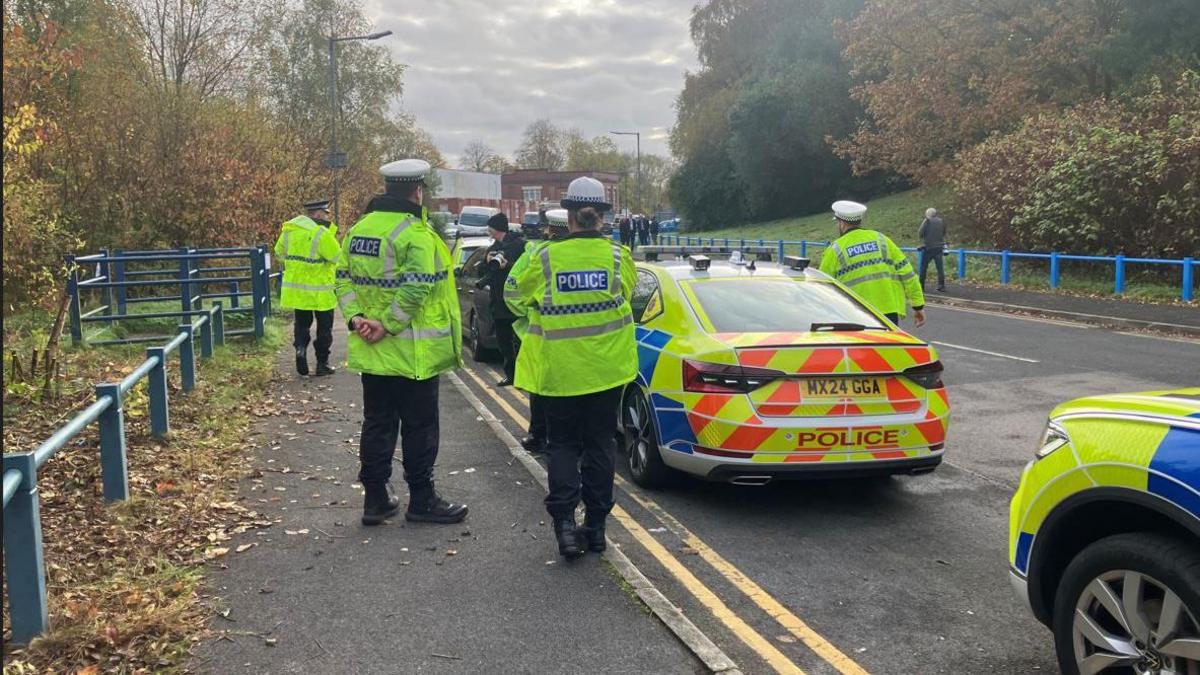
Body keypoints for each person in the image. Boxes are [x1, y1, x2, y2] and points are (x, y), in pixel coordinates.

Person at [333, 158, 469, 527]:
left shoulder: (359, 229)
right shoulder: (415, 234)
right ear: (418, 191)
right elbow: (417, 287)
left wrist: (356, 319)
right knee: (419, 426)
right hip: (411, 352)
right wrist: (388, 325)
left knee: (377, 422)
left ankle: (375, 499)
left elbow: (341, 278)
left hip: (372, 352)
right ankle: (422, 499)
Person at [507, 177, 637, 559]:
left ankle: (564, 526)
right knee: (600, 446)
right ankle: (595, 528)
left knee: (561, 445)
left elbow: (514, 297)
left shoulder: (544, 258)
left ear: (568, 216)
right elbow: (626, 295)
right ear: (601, 217)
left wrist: (539, 310)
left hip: (559, 372)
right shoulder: (618, 257)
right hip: (607, 372)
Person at [506, 210, 570, 456]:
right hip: (582, 344)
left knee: (541, 389)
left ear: (549, 229)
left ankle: (539, 436)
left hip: (541, 334)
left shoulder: (536, 254)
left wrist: (526, 311)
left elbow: (513, 289)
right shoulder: (600, 253)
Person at [818, 200, 926, 327]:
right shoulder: (882, 240)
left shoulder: (835, 250)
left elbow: (822, 287)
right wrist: (918, 306)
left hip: (854, 314)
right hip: (888, 312)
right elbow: (908, 274)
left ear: (841, 223)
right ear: (860, 221)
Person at [274, 198, 341, 376]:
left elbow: (279, 252)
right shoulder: (321, 233)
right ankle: (322, 364)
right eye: (325, 213)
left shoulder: (289, 230)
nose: (327, 216)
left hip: (297, 290)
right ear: (318, 213)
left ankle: (300, 349)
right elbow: (337, 257)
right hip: (321, 291)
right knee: (324, 328)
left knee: (302, 324)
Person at [480, 212, 527, 386]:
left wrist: (508, 265)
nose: (488, 231)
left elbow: (529, 267)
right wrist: (486, 261)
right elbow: (483, 272)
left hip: (516, 303)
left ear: (497, 228)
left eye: (490, 228)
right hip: (498, 302)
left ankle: (524, 376)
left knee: (521, 342)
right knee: (504, 343)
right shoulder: (492, 248)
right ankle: (511, 375)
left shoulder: (519, 245)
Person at [917, 207, 947, 292]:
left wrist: (924, 221)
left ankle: (921, 286)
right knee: (940, 267)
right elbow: (944, 233)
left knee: (923, 267)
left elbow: (920, 233)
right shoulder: (941, 221)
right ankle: (941, 285)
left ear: (928, 214)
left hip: (929, 248)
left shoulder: (927, 221)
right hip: (939, 247)